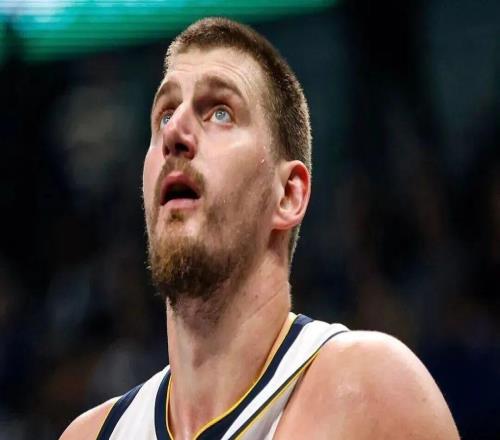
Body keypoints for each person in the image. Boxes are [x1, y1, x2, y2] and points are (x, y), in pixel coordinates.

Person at [60, 17, 459, 440]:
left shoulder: (369, 393)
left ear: (288, 195)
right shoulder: (90, 434)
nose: (174, 132)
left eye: (220, 113)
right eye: (165, 115)